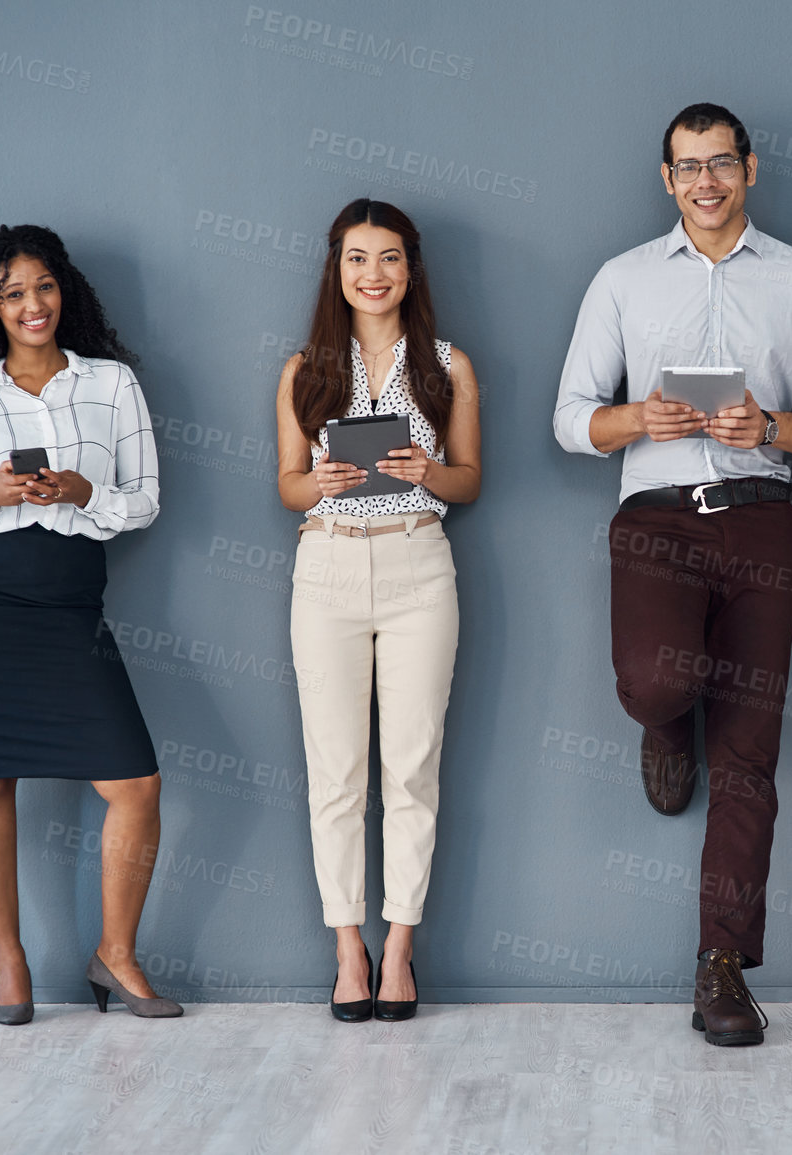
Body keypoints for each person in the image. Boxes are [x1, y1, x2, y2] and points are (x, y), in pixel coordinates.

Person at [553, 103, 792, 1046]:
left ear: (750, 170)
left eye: (721, 163)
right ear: (666, 178)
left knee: (750, 756)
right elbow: (570, 418)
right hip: (655, 520)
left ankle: (720, 967)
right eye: (688, 167)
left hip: (765, 520)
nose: (705, 181)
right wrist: (637, 419)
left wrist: (769, 427)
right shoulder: (622, 280)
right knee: (659, 679)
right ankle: (664, 724)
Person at [0, 224, 179, 1023]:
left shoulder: (112, 384)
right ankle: (10, 962)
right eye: (13, 293)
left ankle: (115, 954)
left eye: (44, 286)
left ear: (66, 289)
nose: (33, 305)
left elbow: (147, 500)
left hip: (69, 610)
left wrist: (80, 493)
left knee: (135, 781)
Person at [275, 199, 481, 1023]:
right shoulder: (302, 369)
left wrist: (427, 469)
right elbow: (285, 482)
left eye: (389, 258)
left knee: (412, 767)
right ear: (336, 267)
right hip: (324, 564)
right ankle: (346, 948)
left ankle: (399, 948)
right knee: (334, 773)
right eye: (357, 259)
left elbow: (471, 479)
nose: (373, 275)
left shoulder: (446, 365)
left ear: (411, 268)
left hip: (417, 562)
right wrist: (316, 482)